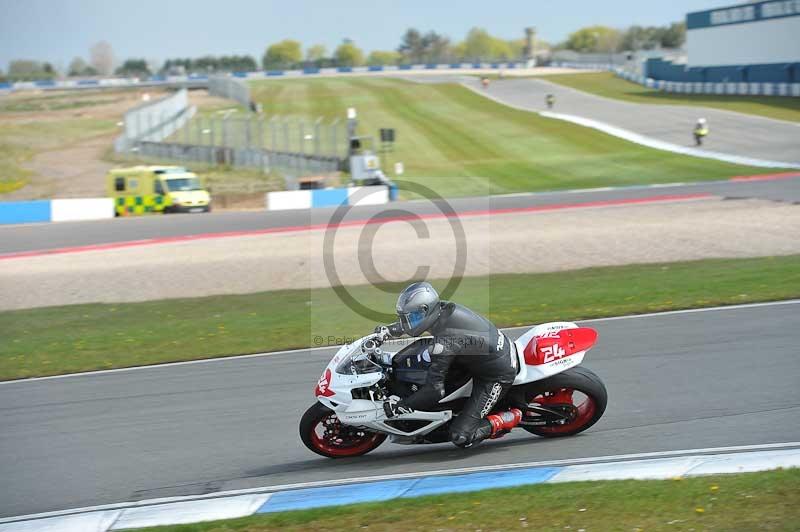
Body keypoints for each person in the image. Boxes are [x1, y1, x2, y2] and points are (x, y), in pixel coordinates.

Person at [377, 282, 521, 447]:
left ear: (425, 310)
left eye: (410, 318)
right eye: (405, 318)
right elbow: (416, 323)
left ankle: (509, 417)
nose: (407, 322)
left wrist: (403, 406)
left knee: (461, 436)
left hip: (497, 374)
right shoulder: (441, 309)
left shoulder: (446, 341)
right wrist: (388, 331)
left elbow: (435, 391)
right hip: (479, 357)